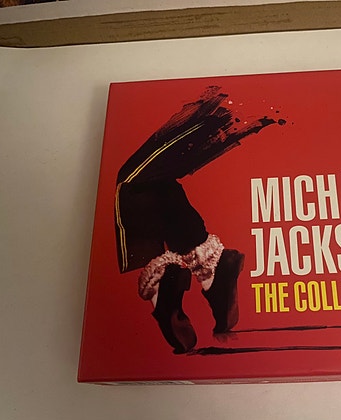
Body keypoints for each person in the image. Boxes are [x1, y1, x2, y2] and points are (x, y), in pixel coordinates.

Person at [114, 86, 282, 353]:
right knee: (151, 182)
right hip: (258, 100)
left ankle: (179, 280)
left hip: (249, 101)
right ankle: (210, 272)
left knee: (133, 183)